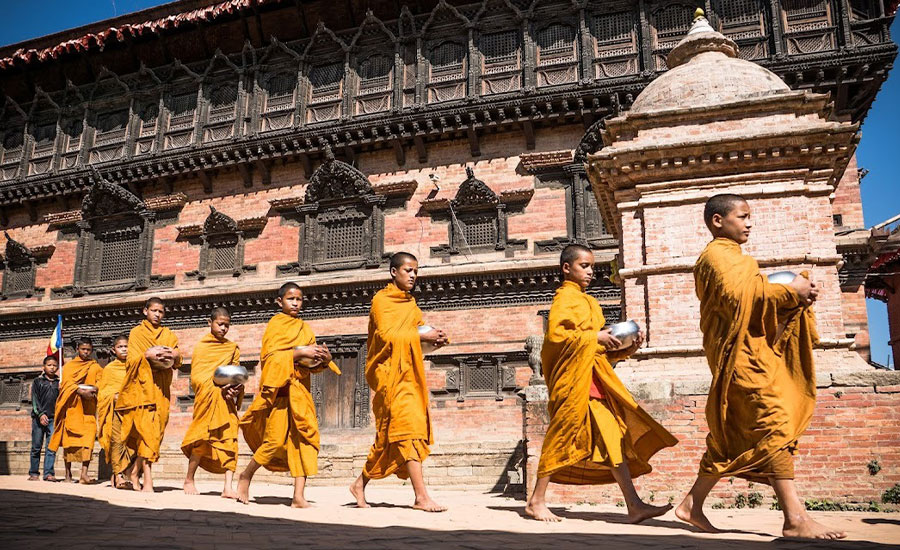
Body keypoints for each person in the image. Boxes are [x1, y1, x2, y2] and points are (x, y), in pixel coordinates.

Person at [675, 194, 845, 540]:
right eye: (742, 216)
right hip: (739, 360)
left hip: (750, 354)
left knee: (730, 435)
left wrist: (792, 297)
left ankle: (692, 504)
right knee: (775, 423)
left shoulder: (739, 259)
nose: (749, 223)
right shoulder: (716, 256)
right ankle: (795, 519)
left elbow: (751, 295)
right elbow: (740, 299)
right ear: (718, 221)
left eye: (750, 216)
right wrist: (789, 291)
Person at [525, 244, 677, 522]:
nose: (590, 272)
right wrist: (594, 337)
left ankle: (634, 505)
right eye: (584, 266)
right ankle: (536, 500)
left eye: (592, 266)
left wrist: (626, 347)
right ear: (566, 268)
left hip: (595, 381)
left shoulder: (590, 303)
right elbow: (557, 338)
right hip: (573, 383)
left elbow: (600, 346)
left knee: (614, 439)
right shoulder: (564, 300)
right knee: (561, 435)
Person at [350, 252, 448, 512]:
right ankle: (421, 497)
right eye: (408, 270)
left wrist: (434, 340)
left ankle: (360, 484)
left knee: (392, 438)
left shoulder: (412, 306)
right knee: (407, 433)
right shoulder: (381, 301)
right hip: (389, 376)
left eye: (416, 271)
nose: (413, 275)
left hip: (410, 376)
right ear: (394, 272)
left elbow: (416, 342)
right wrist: (421, 334)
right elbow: (386, 336)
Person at [238, 282, 340, 507]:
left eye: (299, 299)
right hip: (280, 395)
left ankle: (298, 496)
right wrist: (299, 351)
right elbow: (269, 359)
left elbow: (311, 365)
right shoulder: (275, 325)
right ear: (280, 302)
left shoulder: (305, 328)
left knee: (304, 440)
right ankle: (246, 476)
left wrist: (324, 359)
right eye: (290, 299)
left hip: (300, 393)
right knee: (273, 442)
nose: (295, 303)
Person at [116, 297, 182, 492]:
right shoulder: (136, 333)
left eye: (161, 312)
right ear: (145, 311)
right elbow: (131, 362)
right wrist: (147, 355)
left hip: (161, 390)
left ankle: (133, 472)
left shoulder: (168, 334)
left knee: (157, 433)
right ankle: (148, 479)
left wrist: (175, 354)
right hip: (143, 390)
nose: (157, 314)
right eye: (154, 310)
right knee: (147, 433)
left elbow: (178, 357)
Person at [182, 307, 243, 498]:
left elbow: (236, 375)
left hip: (226, 402)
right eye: (220, 324)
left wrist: (233, 388)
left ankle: (228, 487)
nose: (224, 328)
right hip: (208, 399)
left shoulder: (231, 348)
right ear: (210, 323)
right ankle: (189, 479)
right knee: (201, 441)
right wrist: (216, 386)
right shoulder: (202, 347)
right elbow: (197, 378)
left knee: (230, 442)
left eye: (227, 325)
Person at [49, 337, 102, 483]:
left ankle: (84, 474)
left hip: (88, 409)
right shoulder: (69, 366)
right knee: (69, 443)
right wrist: (79, 391)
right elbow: (66, 384)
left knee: (89, 440)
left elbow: (100, 383)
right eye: (83, 349)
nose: (86, 352)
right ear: (78, 349)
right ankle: (68, 474)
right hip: (72, 407)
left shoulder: (95, 366)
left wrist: (94, 390)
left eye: (89, 350)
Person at [97, 334, 134, 488]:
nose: (124, 349)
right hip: (115, 411)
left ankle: (127, 474)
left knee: (132, 442)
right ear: (113, 350)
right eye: (120, 347)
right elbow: (103, 392)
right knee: (117, 442)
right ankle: (118, 475)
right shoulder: (110, 369)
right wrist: (113, 396)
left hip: (132, 410)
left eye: (126, 346)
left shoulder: (135, 366)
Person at [29, 355, 60, 481]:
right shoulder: (38, 381)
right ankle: (34, 472)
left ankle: (48, 473)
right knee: (36, 446)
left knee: (51, 446)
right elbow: (35, 400)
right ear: (44, 367)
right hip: (38, 418)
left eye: (54, 365)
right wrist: (41, 414)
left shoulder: (59, 382)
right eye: (49, 365)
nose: (52, 368)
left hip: (53, 418)